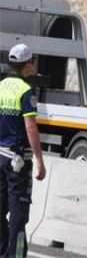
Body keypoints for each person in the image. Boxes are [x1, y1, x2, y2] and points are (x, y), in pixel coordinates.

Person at [0, 43, 46, 258]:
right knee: (19, 217)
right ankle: (16, 256)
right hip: (17, 161)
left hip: (0, 156)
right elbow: (30, 127)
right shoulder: (27, 91)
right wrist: (39, 160)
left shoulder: (1, 87)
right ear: (27, 65)